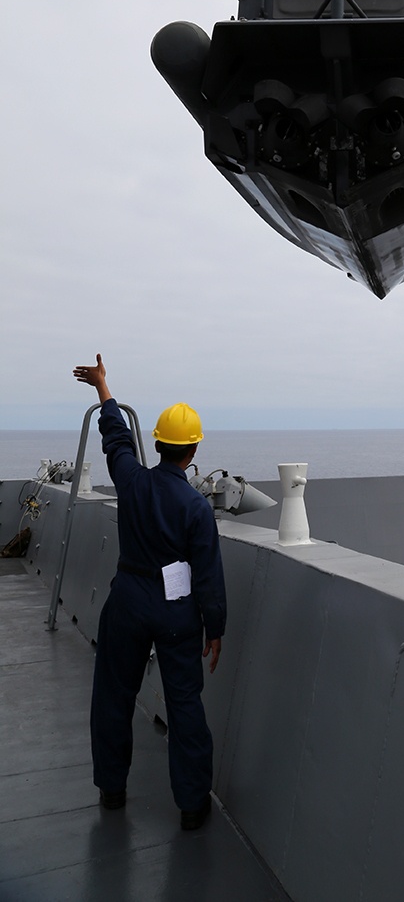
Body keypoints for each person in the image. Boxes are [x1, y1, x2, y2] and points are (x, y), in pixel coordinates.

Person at [73, 353, 227, 831]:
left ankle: (112, 789)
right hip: (177, 612)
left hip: (128, 601)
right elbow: (207, 576)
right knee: (184, 705)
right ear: (193, 451)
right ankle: (191, 805)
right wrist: (215, 629)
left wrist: (104, 389)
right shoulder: (196, 508)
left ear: (158, 444)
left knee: (114, 694)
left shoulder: (132, 481)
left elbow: (116, 439)